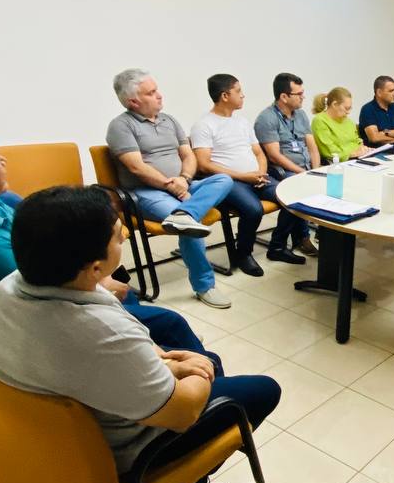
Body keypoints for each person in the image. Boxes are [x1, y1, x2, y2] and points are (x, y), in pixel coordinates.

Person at [0, 186, 281, 483]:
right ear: (95, 268)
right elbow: (183, 412)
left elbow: (123, 350)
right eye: (117, 236)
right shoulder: (99, 333)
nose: (124, 235)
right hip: (124, 450)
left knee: (193, 352)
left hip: (56, 436)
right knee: (260, 388)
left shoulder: (7, 290)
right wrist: (199, 369)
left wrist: (168, 363)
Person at [0, 115, 215, 361]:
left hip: (41, 302)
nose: (4, 161)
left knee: (126, 291)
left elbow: (37, 217)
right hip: (38, 337)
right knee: (170, 322)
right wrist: (100, 284)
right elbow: (59, 299)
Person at [105, 69, 233, 309]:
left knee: (223, 180)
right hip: (146, 193)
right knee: (189, 226)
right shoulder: (120, 126)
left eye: (157, 90)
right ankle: (204, 286)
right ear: (133, 101)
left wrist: (184, 179)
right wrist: (172, 186)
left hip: (185, 183)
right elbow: (136, 168)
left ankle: (185, 213)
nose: (159, 95)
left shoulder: (169, 120)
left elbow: (188, 155)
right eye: (151, 92)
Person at [191, 73, 307, 278]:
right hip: (230, 182)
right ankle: (243, 254)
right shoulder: (204, 125)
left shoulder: (242, 122)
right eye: (238, 91)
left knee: (292, 198)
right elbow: (204, 164)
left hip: (256, 177)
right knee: (253, 210)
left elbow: (259, 153)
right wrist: (244, 177)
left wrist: (260, 172)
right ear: (225, 96)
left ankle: (277, 247)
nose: (243, 95)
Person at [253, 71, 319, 261]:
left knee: (329, 182)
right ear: (284, 96)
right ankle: (280, 245)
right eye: (299, 94)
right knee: (297, 191)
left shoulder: (301, 115)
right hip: (281, 171)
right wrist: (302, 173)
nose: (303, 97)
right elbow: (274, 155)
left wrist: (316, 170)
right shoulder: (266, 118)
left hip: (305, 168)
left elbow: (312, 146)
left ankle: (312, 236)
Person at [358, 75, 394, 154]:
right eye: (391, 91)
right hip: (376, 156)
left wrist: (386, 132)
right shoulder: (367, 109)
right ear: (379, 92)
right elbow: (375, 138)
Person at [310, 87, 366, 161]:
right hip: (340, 162)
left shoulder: (348, 120)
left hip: (357, 158)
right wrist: (352, 154)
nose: (348, 112)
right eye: (346, 108)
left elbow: (357, 140)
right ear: (335, 104)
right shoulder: (319, 121)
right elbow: (330, 151)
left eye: (350, 108)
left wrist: (364, 149)